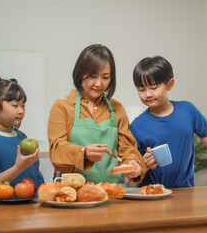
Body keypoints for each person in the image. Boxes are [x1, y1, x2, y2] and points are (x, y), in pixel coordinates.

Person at [48, 44, 147, 186]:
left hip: (115, 192)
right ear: (80, 73)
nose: (99, 83)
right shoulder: (62, 106)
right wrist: (84, 152)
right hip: (76, 193)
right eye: (93, 76)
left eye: (105, 77)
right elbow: (57, 149)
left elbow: (127, 148)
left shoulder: (117, 108)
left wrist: (132, 163)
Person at [130, 56, 207, 190]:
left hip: (185, 192)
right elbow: (133, 166)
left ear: (170, 84)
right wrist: (143, 163)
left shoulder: (188, 110)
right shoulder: (137, 126)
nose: (148, 94)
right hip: (150, 195)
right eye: (141, 89)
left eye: (154, 87)